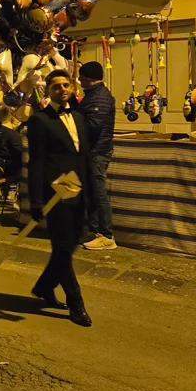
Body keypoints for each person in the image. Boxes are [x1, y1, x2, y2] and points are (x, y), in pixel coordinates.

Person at [26, 70, 94, 327]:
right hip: (55, 196)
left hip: (79, 193)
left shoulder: (78, 117)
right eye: (56, 86)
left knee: (71, 245)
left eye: (66, 85)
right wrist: (35, 201)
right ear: (48, 92)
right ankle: (76, 303)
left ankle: (44, 286)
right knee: (64, 250)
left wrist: (93, 194)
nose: (62, 89)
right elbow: (36, 163)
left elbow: (84, 157)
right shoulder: (40, 121)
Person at [76, 62, 117, 250]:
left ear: (89, 78)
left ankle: (107, 236)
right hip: (91, 152)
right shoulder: (93, 96)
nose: (78, 80)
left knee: (99, 194)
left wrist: (72, 123)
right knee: (91, 193)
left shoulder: (99, 97)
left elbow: (93, 126)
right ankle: (93, 231)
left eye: (81, 76)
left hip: (97, 152)